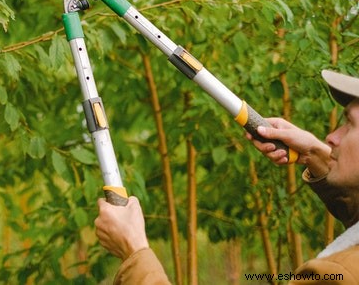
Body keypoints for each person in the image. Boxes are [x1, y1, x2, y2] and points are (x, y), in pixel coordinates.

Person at [95, 69, 359, 284]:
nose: (332, 137)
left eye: (350, 124)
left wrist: (134, 252)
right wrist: (318, 155)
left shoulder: (336, 276)